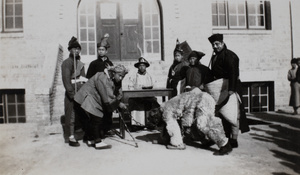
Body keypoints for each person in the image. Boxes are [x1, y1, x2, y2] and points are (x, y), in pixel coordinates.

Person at [207, 33, 249, 148]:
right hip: (219, 88)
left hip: (231, 88)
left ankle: (234, 140)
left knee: (234, 114)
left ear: (222, 43)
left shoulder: (230, 55)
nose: (215, 46)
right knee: (222, 114)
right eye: (213, 45)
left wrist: (231, 90)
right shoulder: (215, 56)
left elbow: (233, 74)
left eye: (217, 44)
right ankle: (226, 138)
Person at [74, 65, 128, 149]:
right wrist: (118, 104)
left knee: (92, 120)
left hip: (91, 98)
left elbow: (116, 91)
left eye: (123, 76)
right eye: (120, 76)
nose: (121, 78)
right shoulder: (103, 79)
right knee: (96, 118)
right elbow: (107, 97)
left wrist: (118, 99)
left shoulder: (111, 78)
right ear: (113, 73)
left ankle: (90, 139)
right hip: (85, 98)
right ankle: (98, 142)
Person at [61, 36, 87, 147]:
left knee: (81, 113)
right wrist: (72, 94)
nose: (76, 51)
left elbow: (83, 78)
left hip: (80, 92)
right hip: (72, 93)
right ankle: (70, 137)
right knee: (71, 115)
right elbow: (66, 80)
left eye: (78, 49)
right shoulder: (67, 63)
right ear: (69, 50)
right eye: (73, 49)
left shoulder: (80, 63)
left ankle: (81, 133)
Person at [127, 57, 160, 130]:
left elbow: (155, 86)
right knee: (134, 102)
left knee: (154, 102)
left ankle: (151, 123)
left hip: (148, 96)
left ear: (146, 67)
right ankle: (137, 124)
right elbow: (130, 87)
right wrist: (137, 89)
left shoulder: (150, 76)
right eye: (140, 66)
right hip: (137, 97)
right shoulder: (133, 76)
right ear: (138, 67)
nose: (142, 67)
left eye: (143, 65)